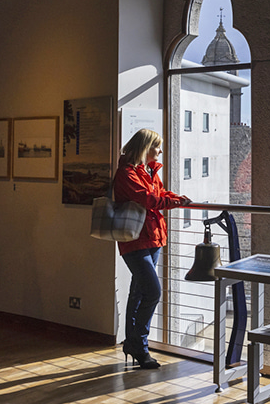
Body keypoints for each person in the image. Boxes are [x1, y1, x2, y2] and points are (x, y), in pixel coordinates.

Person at [114, 128, 190, 369]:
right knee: (153, 291)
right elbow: (149, 200)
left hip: (153, 237)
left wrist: (176, 197)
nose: (160, 151)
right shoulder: (126, 173)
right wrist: (176, 203)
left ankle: (133, 342)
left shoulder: (149, 171)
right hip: (135, 239)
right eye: (157, 146)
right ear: (145, 147)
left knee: (138, 292)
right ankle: (139, 343)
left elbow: (158, 194)